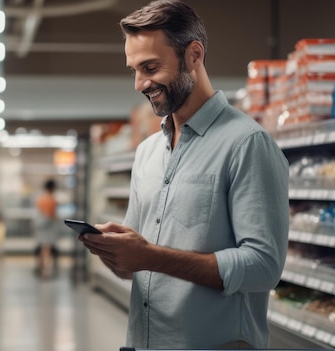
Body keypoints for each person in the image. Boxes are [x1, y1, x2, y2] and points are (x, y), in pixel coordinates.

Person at [78, 0, 289, 349]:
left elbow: (263, 267)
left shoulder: (247, 144)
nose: (139, 83)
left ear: (194, 55)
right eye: (133, 69)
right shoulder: (147, 153)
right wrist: (115, 253)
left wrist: (149, 256)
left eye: (150, 67)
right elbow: (134, 268)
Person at [34, 178, 59, 279]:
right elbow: (51, 215)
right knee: (47, 249)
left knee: (42, 249)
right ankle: (46, 271)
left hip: (40, 226)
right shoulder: (51, 200)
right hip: (48, 227)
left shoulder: (41, 198)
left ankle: (41, 269)